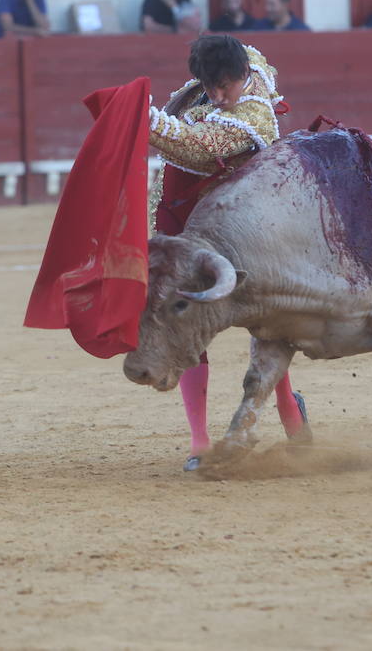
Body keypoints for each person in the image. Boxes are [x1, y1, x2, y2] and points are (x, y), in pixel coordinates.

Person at [147, 34, 308, 471]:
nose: (219, 97)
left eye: (225, 88)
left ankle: (290, 412)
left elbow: (197, 148)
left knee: (265, 321)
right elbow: (249, 52)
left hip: (241, 230)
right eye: (210, 86)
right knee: (183, 321)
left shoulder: (253, 111)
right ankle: (199, 442)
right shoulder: (235, 70)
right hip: (181, 219)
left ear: (241, 78)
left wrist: (141, 119)